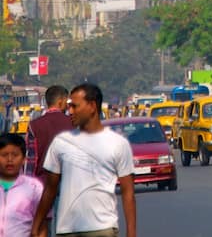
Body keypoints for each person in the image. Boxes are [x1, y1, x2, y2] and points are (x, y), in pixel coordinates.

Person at [31, 83, 137, 237]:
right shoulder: (60, 142)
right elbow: (50, 189)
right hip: (67, 230)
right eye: (69, 107)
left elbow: (128, 193)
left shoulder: (117, 144)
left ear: (92, 106)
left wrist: (131, 232)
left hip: (102, 229)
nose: (70, 111)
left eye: (75, 106)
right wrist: (37, 223)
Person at [1, 133, 48, 237]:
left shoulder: (34, 188)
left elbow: (41, 226)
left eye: (15, 155)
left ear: (23, 159)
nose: (9, 159)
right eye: (4, 155)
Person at [26, 85, 73, 178]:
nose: (67, 106)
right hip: (67, 181)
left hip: (42, 182)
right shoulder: (73, 124)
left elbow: (31, 160)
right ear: (61, 101)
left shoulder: (34, 125)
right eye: (66, 102)